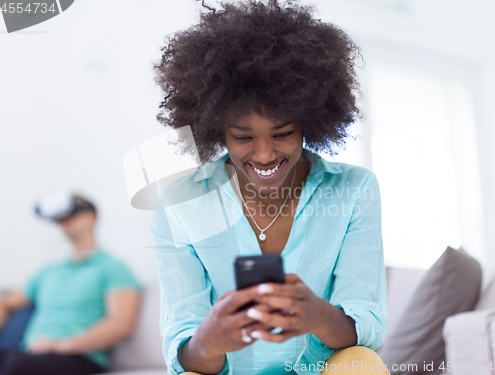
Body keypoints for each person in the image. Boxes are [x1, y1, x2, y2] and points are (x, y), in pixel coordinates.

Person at [150, 1, 388, 374]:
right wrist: (208, 341)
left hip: (319, 369)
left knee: (362, 363)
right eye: (243, 137)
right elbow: (182, 348)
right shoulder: (180, 202)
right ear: (216, 129)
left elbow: (366, 326)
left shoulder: (354, 189)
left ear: (310, 120)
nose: (263, 155)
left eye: (282, 133)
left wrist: (318, 316)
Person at [0, 192, 142, 375]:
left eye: (72, 213)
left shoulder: (113, 268)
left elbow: (119, 324)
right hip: (29, 354)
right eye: (61, 217)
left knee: (16, 368)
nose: (65, 220)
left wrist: (61, 345)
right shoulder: (47, 272)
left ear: (92, 217)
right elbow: (6, 303)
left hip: (78, 357)